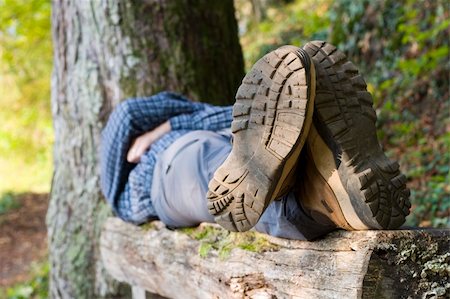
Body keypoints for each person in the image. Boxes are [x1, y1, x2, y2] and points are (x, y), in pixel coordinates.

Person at [100, 41, 411, 241]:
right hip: (175, 164)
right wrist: (168, 125)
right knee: (228, 174)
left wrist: (165, 127)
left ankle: (320, 197)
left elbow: (239, 118)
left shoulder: (131, 182)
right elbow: (127, 114)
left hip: (189, 164)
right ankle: (326, 186)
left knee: (239, 175)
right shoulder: (122, 188)